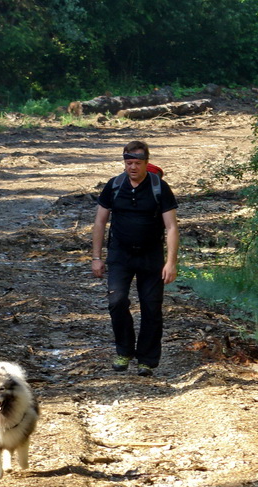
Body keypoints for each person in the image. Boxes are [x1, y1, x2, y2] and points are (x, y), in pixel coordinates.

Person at [92, 141, 179, 376]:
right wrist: (96, 257)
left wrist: (171, 262)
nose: (132, 167)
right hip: (120, 254)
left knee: (151, 307)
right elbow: (100, 221)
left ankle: (147, 360)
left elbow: (171, 227)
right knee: (116, 302)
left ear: (146, 163)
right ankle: (124, 351)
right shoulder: (115, 185)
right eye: (128, 163)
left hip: (151, 256)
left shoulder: (159, 187)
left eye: (137, 163)